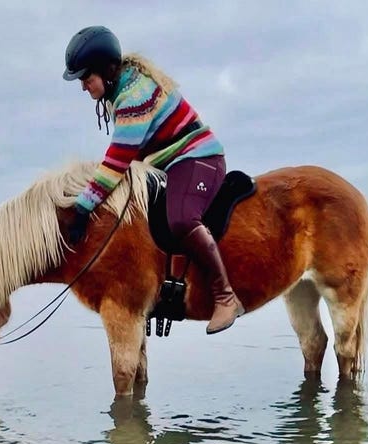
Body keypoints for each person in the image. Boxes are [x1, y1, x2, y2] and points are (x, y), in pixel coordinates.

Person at [63, 25, 244, 334]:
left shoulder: (134, 97)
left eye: (86, 78)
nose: (83, 86)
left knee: (181, 220)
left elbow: (117, 161)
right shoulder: (119, 91)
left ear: (107, 70)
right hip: (167, 164)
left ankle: (225, 296)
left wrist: (83, 207)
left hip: (197, 158)